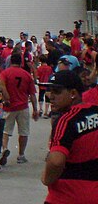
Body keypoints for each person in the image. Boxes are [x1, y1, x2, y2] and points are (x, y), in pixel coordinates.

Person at [40, 69, 98, 204]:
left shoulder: (66, 120)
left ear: (73, 93)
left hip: (67, 195)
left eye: (57, 92)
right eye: (50, 91)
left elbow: (56, 161)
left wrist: (46, 178)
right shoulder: (95, 112)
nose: (51, 96)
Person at [0, 52, 39, 165]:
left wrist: (6, 98)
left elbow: (1, 87)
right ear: (21, 62)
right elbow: (32, 94)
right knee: (23, 131)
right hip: (23, 106)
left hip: (9, 106)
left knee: (5, 131)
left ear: (11, 61)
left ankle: (4, 148)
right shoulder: (26, 75)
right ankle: (21, 154)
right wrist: (35, 109)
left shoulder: (5, 73)